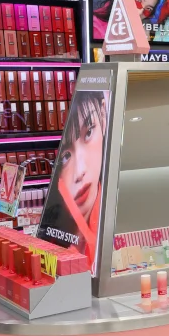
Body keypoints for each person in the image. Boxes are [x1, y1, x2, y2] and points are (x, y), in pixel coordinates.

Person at [55, 91, 108, 268]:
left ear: (103, 115)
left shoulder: (112, 223)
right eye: (65, 157)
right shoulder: (52, 239)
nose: (80, 171)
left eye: (89, 132)